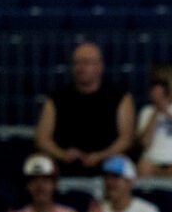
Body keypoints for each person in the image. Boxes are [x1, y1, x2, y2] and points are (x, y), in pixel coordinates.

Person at [35, 42, 136, 177]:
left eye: (86, 62)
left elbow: (126, 139)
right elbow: (42, 138)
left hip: (108, 166)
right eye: (76, 63)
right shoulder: (56, 98)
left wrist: (100, 156)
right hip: (64, 165)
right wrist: (62, 154)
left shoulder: (120, 97)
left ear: (100, 66)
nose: (80, 68)